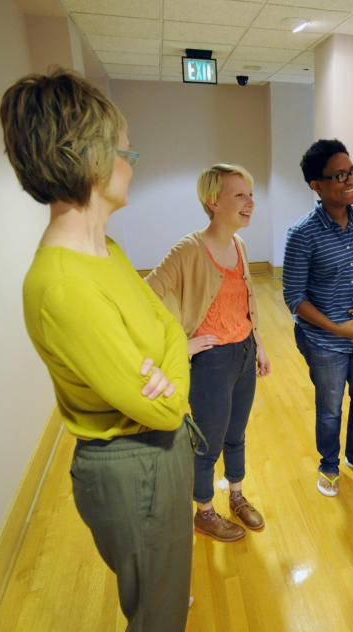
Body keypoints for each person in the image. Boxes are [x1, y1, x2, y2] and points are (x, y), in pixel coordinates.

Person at [0, 70, 193, 632]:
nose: (133, 160)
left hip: (158, 457)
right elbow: (163, 407)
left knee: (166, 602)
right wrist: (171, 369)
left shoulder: (104, 249)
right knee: (157, 622)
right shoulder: (60, 285)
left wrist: (170, 360)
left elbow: (173, 330)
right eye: (125, 147)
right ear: (89, 157)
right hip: (134, 471)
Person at [146, 164, 271, 542]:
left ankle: (236, 495)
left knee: (237, 434)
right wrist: (178, 346)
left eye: (250, 194)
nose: (250, 202)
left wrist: (259, 345)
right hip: (211, 362)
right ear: (212, 201)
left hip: (245, 354)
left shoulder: (240, 245)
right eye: (240, 195)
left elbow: (246, 302)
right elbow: (145, 296)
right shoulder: (189, 249)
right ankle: (204, 511)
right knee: (207, 442)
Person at [284, 139, 353, 497]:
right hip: (324, 340)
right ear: (316, 185)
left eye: (352, 172)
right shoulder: (302, 234)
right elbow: (294, 298)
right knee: (330, 408)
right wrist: (337, 328)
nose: (350, 181)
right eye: (339, 176)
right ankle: (329, 465)